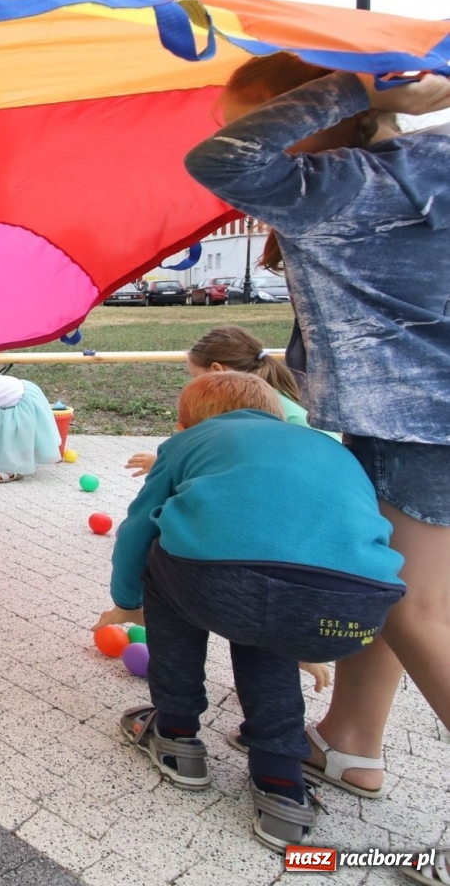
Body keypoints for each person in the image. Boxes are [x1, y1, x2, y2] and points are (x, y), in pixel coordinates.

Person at [186, 57, 450, 875]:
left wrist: (361, 90)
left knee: (418, 607)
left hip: (419, 420)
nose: (222, 132)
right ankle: (350, 741)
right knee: (380, 578)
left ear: (291, 114)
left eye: (239, 116)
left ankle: (352, 740)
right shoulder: (427, 163)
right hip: (409, 417)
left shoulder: (340, 184)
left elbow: (221, 164)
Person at [94, 372, 404, 851]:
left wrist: (127, 601)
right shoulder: (327, 447)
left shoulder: (190, 441)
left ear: (185, 423)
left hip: (224, 586)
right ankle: (281, 786)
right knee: (267, 624)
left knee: (168, 559)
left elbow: (138, 527)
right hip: (357, 609)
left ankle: (176, 735)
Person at [125, 324, 339, 477]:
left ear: (218, 371)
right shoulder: (268, 397)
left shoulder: (250, 408)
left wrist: (167, 467)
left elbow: (224, 464)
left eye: (196, 377)